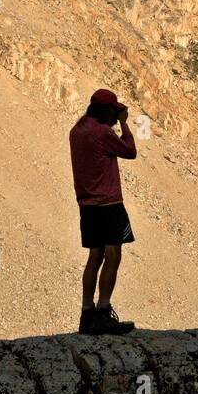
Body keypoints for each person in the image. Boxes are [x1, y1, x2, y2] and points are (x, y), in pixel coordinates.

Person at [69, 89, 138, 334]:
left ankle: (86, 315)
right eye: (113, 110)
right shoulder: (103, 132)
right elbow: (130, 151)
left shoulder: (77, 131)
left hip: (87, 205)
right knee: (113, 256)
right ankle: (103, 312)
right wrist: (124, 123)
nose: (115, 113)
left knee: (94, 257)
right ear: (107, 110)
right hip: (108, 204)